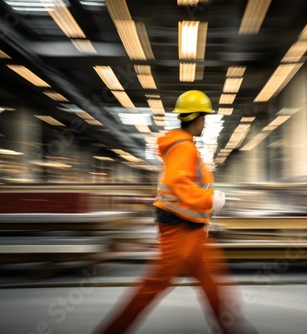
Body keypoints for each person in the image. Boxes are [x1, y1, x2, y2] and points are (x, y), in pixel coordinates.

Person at [94, 90, 252, 334]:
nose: (205, 123)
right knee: (154, 284)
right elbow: (179, 183)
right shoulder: (183, 147)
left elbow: (185, 182)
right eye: (205, 119)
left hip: (193, 230)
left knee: (211, 281)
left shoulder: (185, 146)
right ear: (197, 119)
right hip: (179, 230)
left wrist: (206, 206)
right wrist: (210, 199)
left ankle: (231, 328)